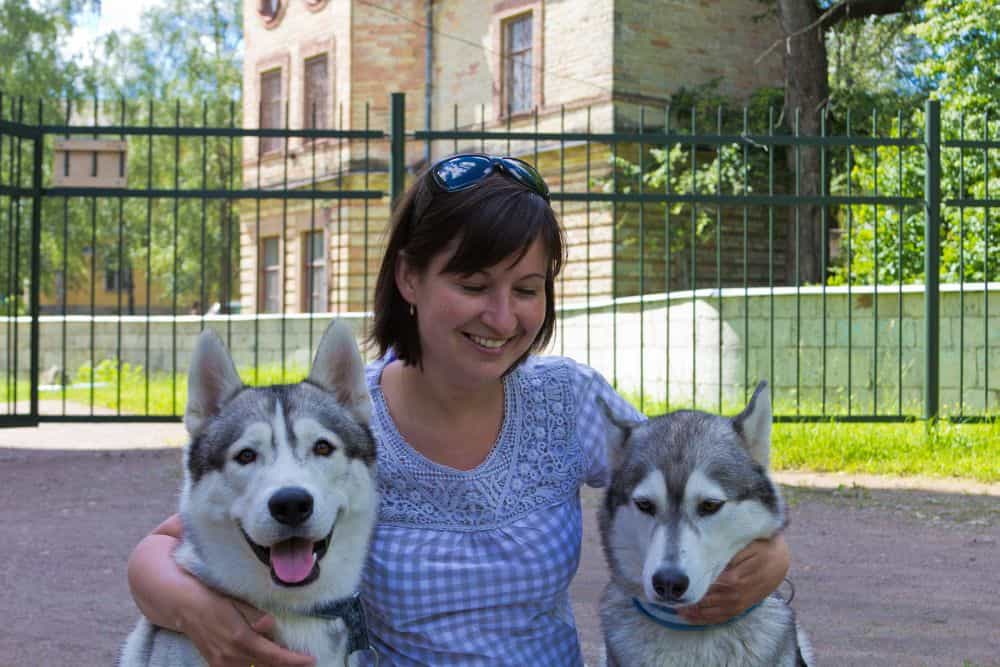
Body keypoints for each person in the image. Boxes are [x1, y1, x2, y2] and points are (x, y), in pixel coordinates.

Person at [127, 154, 790, 666]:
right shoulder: (345, 434)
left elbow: (706, 478)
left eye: (527, 288)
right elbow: (160, 551)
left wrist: (775, 557)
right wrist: (193, 609)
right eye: (473, 285)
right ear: (409, 279)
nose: (503, 317)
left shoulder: (568, 400)